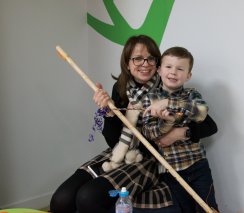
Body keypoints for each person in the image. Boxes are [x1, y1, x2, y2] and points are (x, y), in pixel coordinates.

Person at [50, 35, 217, 213]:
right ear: (127, 63)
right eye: (137, 58)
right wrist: (108, 112)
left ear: (157, 65)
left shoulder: (168, 85)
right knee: (61, 200)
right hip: (121, 151)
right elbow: (114, 141)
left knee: (88, 197)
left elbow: (209, 124)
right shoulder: (121, 88)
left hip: (149, 157)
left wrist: (178, 133)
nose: (145, 63)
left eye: (150, 58)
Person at [142, 46, 219, 213]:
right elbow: (149, 133)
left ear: (188, 75)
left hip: (198, 165)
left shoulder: (192, 95)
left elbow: (201, 113)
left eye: (180, 69)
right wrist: (167, 123)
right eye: (168, 67)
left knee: (208, 208)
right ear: (159, 70)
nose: (173, 72)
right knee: (185, 210)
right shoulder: (150, 99)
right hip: (171, 171)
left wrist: (169, 103)